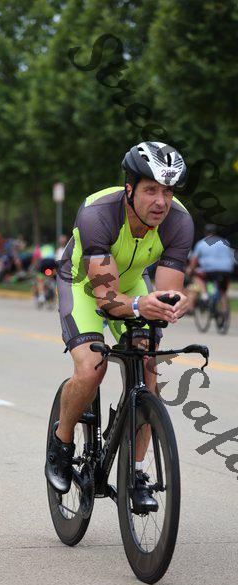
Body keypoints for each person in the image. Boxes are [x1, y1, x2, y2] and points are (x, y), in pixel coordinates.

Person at [46, 141, 194, 513]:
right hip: (84, 286)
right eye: (151, 190)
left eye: (168, 192)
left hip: (130, 286)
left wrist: (173, 302)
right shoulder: (98, 213)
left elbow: (168, 290)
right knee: (91, 368)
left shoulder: (179, 222)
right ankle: (61, 444)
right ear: (129, 189)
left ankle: (137, 472)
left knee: (148, 370)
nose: (161, 202)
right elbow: (104, 298)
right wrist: (139, 305)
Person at [187, 223, 235, 313]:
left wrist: (191, 269)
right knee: (223, 291)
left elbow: (194, 259)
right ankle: (224, 310)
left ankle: (204, 295)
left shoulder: (201, 243)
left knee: (196, 277)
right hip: (227, 270)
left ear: (205, 232)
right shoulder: (225, 241)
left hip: (210, 270)